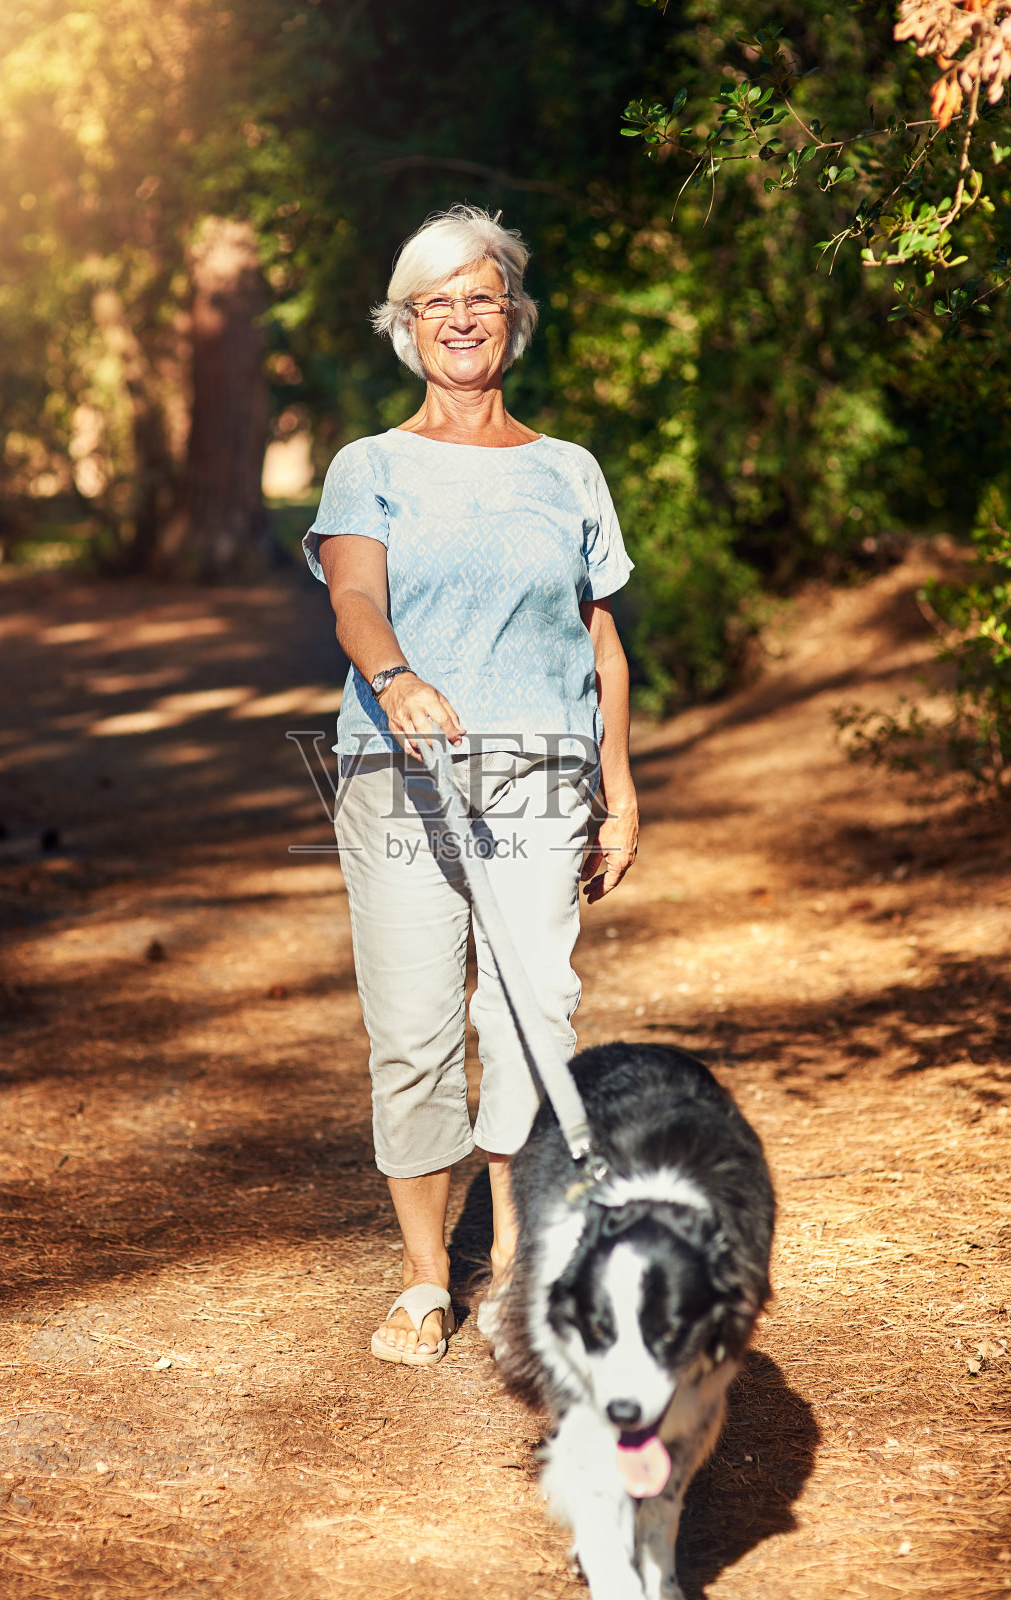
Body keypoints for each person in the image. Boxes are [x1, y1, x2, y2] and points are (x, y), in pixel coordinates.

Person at [303, 204, 638, 1365]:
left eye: (480, 297)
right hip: (398, 772)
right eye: (436, 300)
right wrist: (393, 677)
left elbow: (601, 640)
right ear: (406, 324)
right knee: (413, 1029)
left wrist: (621, 784)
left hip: (543, 774)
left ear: (512, 320)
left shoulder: (568, 469)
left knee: (533, 1009)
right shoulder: (370, 465)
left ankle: (506, 1268)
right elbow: (354, 600)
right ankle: (419, 1278)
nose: (460, 317)